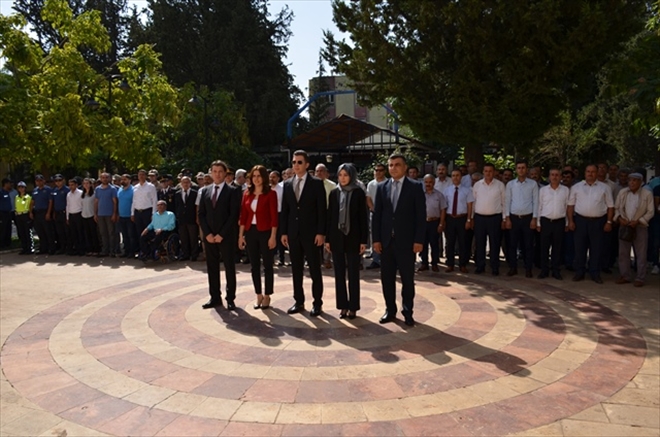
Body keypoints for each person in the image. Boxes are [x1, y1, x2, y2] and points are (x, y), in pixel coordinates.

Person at [372, 153, 426, 326]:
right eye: (390, 165)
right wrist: (376, 239)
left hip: (407, 243)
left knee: (407, 280)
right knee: (387, 279)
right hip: (387, 242)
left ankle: (408, 311)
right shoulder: (382, 187)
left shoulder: (415, 187)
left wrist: (419, 240)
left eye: (397, 165)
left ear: (404, 167)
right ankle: (390, 310)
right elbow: (377, 216)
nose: (393, 168)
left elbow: (420, 216)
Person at [280, 150, 327, 317]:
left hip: (312, 234)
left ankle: (317, 303)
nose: (296, 165)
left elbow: (322, 210)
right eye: (294, 162)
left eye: (299, 162)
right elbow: (285, 210)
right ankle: (298, 301)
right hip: (293, 234)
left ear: (307, 165)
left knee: (315, 270)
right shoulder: (287, 184)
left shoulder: (316, 183)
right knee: (296, 270)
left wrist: (321, 232)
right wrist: (284, 232)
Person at [326, 163, 368, 319]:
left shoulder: (358, 193)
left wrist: (364, 241)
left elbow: (363, 219)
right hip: (336, 238)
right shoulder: (334, 193)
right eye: (340, 175)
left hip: (354, 238)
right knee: (339, 273)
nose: (343, 178)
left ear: (352, 176)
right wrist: (328, 239)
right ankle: (342, 306)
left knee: (353, 274)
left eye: (346, 175)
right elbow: (330, 218)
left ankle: (353, 307)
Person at [198, 160, 241, 310]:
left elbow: (233, 215)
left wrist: (221, 234)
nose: (217, 174)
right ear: (210, 173)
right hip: (209, 236)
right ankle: (215, 297)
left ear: (225, 173)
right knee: (212, 267)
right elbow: (201, 214)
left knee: (229, 267)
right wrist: (208, 234)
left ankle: (230, 298)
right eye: (214, 171)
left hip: (226, 236)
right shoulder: (204, 191)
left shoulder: (233, 191)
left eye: (220, 171)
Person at [238, 165, 279, 309]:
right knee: (254, 266)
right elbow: (243, 216)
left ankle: (267, 295)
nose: (256, 179)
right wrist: (241, 236)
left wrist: (273, 236)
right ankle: (258, 294)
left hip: (266, 232)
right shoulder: (246, 194)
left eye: (259, 176)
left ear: (264, 177)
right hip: (250, 232)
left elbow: (274, 217)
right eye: (253, 176)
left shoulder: (271, 194)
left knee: (268, 265)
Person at [567, 164, 614, 284]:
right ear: (585, 173)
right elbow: (570, 205)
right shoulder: (576, 187)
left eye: (593, 172)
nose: (590, 174)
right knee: (579, 248)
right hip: (581, 221)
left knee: (596, 248)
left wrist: (609, 222)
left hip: (598, 222)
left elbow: (610, 206)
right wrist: (571, 221)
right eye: (588, 171)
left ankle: (595, 273)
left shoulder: (604, 188)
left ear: (597, 173)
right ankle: (579, 272)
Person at [614, 173, 655, 287]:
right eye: (630, 180)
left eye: (635, 181)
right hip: (625, 225)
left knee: (641, 253)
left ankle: (640, 278)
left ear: (641, 182)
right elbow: (616, 208)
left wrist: (639, 220)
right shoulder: (623, 192)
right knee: (623, 252)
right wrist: (619, 218)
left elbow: (650, 211)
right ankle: (625, 275)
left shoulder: (647, 193)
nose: (632, 183)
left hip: (640, 226)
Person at [504, 160, 539, 277]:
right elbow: (507, 201)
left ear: (527, 169)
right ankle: (513, 267)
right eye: (519, 168)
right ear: (516, 169)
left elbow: (536, 202)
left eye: (523, 168)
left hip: (528, 218)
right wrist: (507, 218)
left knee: (528, 245)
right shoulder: (510, 185)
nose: (521, 170)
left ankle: (528, 268)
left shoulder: (533, 184)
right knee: (512, 244)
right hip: (514, 218)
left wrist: (534, 218)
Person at [472, 164, 506, 275]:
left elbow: (504, 203)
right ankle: (480, 266)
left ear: (494, 172)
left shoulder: (500, 185)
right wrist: (471, 218)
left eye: (490, 171)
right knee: (480, 243)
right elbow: (473, 203)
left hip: (495, 218)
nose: (488, 173)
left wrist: (504, 219)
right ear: (483, 172)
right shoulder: (477, 185)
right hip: (479, 218)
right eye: (486, 171)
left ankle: (494, 266)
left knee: (495, 243)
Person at [536, 169, 569, 280]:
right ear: (549, 177)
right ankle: (544, 270)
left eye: (557, 175)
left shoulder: (565, 190)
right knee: (544, 247)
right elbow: (539, 206)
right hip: (546, 221)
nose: (554, 177)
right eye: (552, 175)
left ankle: (556, 270)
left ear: (560, 177)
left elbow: (567, 207)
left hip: (559, 222)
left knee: (557, 248)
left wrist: (567, 223)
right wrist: (538, 222)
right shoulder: (543, 190)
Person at [442, 169, 474, 273]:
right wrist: (443, 221)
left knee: (462, 242)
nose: (455, 177)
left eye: (457, 175)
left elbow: (470, 206)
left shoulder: (467, 190)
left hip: (462, 218)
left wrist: (469, 219)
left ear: (461, 177)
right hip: (450, 218)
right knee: (450, 242)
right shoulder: (447, 190)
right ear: (451, 177)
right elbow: (444, 206)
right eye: (453, 176)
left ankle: (462, 264)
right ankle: (450, 264)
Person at [418, 174, 446, 272]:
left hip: (434, 222)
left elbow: (443, 210)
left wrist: (441, 224)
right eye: (426, 182)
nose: (428, 184)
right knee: (423, 244)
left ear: (434, 183)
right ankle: (424, 263)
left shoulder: (439, 195)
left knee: (434, 244)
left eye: (430, 182)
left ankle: (434, 263)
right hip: (423, 222)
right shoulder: (420, 195)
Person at [366, 163, 387, 270]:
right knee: (374, 235)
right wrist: (372, 208)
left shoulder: (388, 183)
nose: (378, 172)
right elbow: (368, 198)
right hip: (374, 213)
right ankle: (375, 259)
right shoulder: (371, 184)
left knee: (385, 236)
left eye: (380, 170)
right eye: (376, 170)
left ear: (384, 171)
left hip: (386, 214)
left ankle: (385, 259)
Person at [315, 163, 337, 269]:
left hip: (328, 212)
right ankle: (317, 259)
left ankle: (327, 259)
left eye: (321, 171)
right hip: (315, 214)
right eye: (317, 171)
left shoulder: (332, 185)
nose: (319, 173)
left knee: (328, 236)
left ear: (326, 173)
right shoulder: (311, 185)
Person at [174, 176, 200, 261]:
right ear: (181, 184)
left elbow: (197, 206)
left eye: (187, 182)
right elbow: (177, 206)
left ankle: (194, 254)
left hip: (192, 218)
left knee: (193, 238)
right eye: (184, 182)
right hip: (182, 219)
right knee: (183, 238)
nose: (185, 184)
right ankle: (185, 254)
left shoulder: (195, 193)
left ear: (190, 183)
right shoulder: (177, 194)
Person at [94, 172, 119, 257]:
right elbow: (96, 202)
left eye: (106, 177)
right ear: (100, 179)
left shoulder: (112, 189)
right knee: (103, 233)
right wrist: (95, 213)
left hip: (109, 214)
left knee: (111, 233)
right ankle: (105, 250)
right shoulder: (97, 189)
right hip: (100, 214)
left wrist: (114, 213)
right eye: (103, 177)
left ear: (109, 179)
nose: (104, 179)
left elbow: (115, 202)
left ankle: (112, 250)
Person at [31, 174, 54, 254]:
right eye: (37, 180)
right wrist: (30, 212)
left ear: (44, 181)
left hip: (45, 212)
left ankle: (51, 248)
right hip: (37, 213)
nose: (39, 182)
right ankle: (43, 248)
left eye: (40, 180)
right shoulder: (35, 190)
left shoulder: (48, 189)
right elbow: (33, 202)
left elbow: (50, 202)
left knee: (48, 231)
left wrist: (48, 213)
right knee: (40, 231)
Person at [131, 169, 158, 237]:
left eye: (143, 175)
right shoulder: (135, 187)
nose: (141, 176)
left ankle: (149, 247)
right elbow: (134, 201)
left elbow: (154, 200)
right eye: (140, 175)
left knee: (148, 231)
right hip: (137, 212)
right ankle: (142, 247)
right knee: (139, 232)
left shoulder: (151, 186)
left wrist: (153, 213)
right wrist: (132, 213)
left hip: (147, 211)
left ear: (146, 176)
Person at [117, 174, 138, 258]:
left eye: (125, 179)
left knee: (131, 235)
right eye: (122, 179)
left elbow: (134, 203)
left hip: (130, 216)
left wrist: (133, 214)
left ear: (129, 180)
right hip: (121, 216)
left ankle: (132, 252)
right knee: (124, 235)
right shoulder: (119, 190)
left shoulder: (133, 190)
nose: (123, 181)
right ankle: (126, 251)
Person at [50, 174, 70, 254]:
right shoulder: (54, 191)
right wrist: (54, 212)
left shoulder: (67, 190)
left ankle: (69, 248)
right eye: (56, 181)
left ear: (63, 180)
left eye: (59, 180)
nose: (58, 182)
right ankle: (62, 247)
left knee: (67, 231)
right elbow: (54, 203)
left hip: (64, 212)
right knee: (59, 232)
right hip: (57, 213)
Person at [65, 178, 85, 256]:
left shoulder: (80, 193)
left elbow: (83, 204)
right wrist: (67, 217)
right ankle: (75, 249)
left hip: (79, 214)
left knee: (80, 232)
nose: (71, 186)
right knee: (73, 233)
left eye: (72, 185)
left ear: (76, 185)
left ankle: (82, 249)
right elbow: (68, 206)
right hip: (71, 214)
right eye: (69, 185)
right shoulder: (68, 194)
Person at [81, 178, 100, 256]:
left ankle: (96, 249)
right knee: (87, 233)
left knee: (94, 233)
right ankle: (89, 249)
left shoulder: (94, 194)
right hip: (84, 215)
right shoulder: (82, 194)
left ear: (91, 184)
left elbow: (96, 205)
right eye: (84, 183)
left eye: (87, 183)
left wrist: (96, 214)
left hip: (92, 215)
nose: (86, 185)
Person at [14, 181, 33, 254]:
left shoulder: (28, 197)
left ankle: (30, 248)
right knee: (21, 232)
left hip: (25, 214)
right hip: (18, 215)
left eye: (22, 187)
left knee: (27, 231)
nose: (21, 189)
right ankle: (24, 247)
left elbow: (30, 206)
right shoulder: (17, 197)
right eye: (19, 187)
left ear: (25, 188)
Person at [0, 178, 13, 249]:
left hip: (8, 213)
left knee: (8, 228)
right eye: (9, 183)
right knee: (3, 229)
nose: (10, 185)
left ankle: (8, 244)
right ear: (5, 184)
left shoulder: (8, 192)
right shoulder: (1, 192)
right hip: (2, 213)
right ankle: (2, 244)